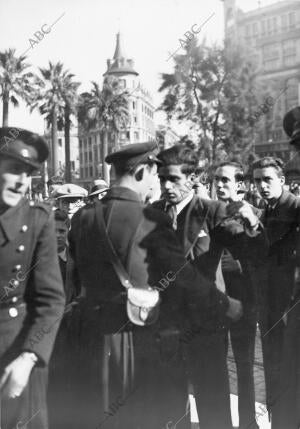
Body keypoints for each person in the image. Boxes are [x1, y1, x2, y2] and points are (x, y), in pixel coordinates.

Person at [67, 142, 240, 429]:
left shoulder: (83, 218)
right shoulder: (150, 217)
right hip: (142, 336)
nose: (159, 184)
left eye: (171, 178)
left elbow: (74, 279)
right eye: (156, 175)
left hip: (96, 337)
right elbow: (179, 275)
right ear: (142, 172)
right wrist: (228, 305)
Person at [154, 145, 264, 429]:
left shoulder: (212, 211)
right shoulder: (152, 213)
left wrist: (252, 226)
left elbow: (250, 251)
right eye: (162, 178)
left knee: (213, 406)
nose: (166, 186)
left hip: (206, 325)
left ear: (192, 178)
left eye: (174, 179)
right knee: (171, 406)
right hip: (166, 325)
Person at [0, 127, 65, 429]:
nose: (22, 182)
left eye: (28, 174)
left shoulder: (37, 219)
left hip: (16, 353)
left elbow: (51, 300)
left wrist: (28, 358)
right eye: (14, 170)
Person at [252, 155, 300, 427]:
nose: (262, 185)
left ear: (282, 180)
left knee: (289, 376)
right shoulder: (268, 208)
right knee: (273, 371)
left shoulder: (294, 208)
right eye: (257, 180)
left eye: (267, 179)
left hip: (289, 308)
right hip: (270, 307)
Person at [214, 161, 259, 429]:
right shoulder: (208, 212)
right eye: (216, 180)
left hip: (243, 301)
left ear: (239, 185)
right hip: (215, 299)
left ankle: (247, 423)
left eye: (225, 180)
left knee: (244, 364)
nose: (219, 185)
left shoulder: (253, 213)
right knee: (217, 364)